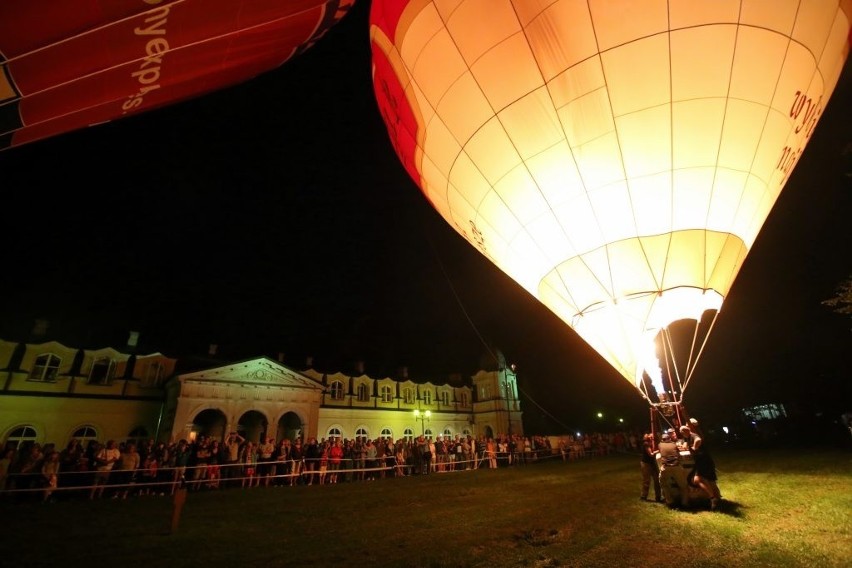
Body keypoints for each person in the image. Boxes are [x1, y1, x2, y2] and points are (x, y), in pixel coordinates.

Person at [679, 423, 722, 510]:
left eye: (682, 432)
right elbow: (685, 446)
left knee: (697, 479)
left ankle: (713, 498)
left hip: (704, 461)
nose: (682, 434)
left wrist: (695, 447)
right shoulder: (687, 438)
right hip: (703, 461)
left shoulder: (693, 435)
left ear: (685, 431)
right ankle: (717, 498)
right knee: (710, 480)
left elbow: (698, 440)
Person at [657, 429, 689, 508]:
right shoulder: (674, 444)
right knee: (683, 486)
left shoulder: (660, 445)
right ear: (669, 438)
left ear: (662, 439)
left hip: (666, 467)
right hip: (676, 467)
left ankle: (670, 501)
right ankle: (685, 502)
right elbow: (680, 450)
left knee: (663, 484)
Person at [639, 433, 662, 502]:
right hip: (646, 463)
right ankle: (643, 496)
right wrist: (659, 450)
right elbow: (651, 454)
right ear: (647, 437)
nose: (652, 438)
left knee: (657, 480)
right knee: (646, 480)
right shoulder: (646, 444)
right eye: (651, 436)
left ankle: (658, 497)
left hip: (653, 464)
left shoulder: (655, 443)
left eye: (653, 437)